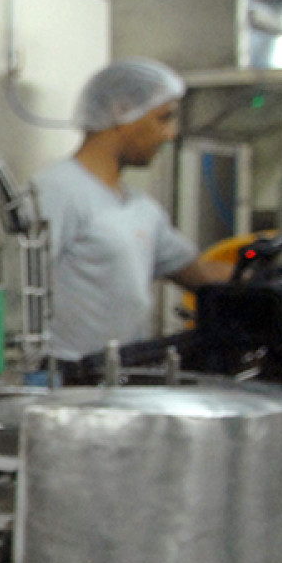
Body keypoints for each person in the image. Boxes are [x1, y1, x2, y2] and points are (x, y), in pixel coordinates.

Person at [32, 58, 233, 364]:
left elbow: (200, 274)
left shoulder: (141, 207)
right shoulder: (56, 192)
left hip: (126, 372)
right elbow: (21, 291)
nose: (170, 134)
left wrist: (273, 273)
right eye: (163, 118)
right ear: (121, 110)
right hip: (68, 377)